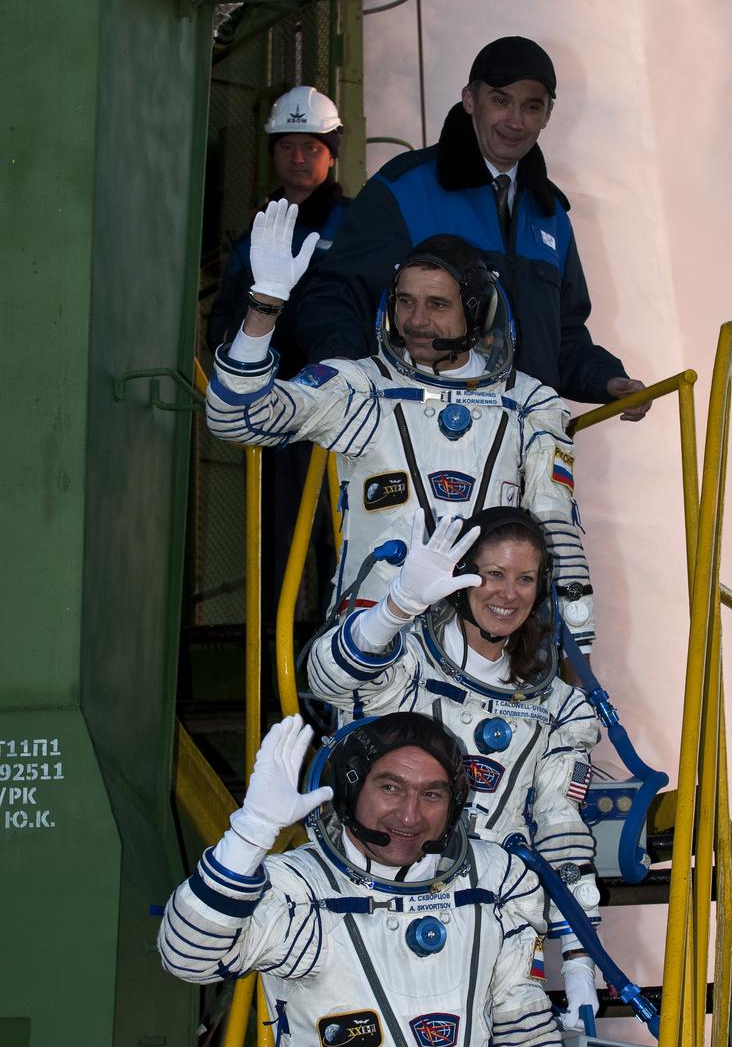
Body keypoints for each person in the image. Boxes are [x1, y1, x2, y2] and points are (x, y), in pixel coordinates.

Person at [159, 712, 588, 1047]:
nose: (409, 815)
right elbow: (186, 957)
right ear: (350, 790)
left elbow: (524, 1030)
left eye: (432, 794)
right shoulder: (304, 889)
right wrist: (250, 833)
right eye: (390, 788)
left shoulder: (495, 882)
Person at [207, 209, 597, 643]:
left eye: (437, 305)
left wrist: (577, 634)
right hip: (375, 636)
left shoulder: (527, 403)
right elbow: (237, 419)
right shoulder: (361, 389)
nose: (415, 321)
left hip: (490, 644)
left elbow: (553, 524)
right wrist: (265, 306)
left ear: (478, 313)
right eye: (405, 302)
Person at [308, 506, 603, 1032]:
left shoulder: (561, 706)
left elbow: (561, 828)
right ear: (463, 576)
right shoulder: (406, 662)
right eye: (492, 574)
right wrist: (394, 609)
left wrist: (580, 961)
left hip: (490, 909)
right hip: (372, 893)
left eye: (524, 579)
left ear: (542, 591)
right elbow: (329, 678)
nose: (507, 594)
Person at [290, 35, 651, 413]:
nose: (515, 120)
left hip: (522, 446)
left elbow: (563, 339)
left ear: (547, 117)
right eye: (500, 100)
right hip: (417, 440)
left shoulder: (552, 217)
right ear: (469, 99)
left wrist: (607, 380)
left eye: (532, 106)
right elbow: (335, 298)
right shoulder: (403, 190)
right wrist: (349, 381)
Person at [207, 85, 350, 380]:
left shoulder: (355, 223)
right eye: (287, 147)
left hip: (325, 387)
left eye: (311, 148)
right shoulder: (257, 229)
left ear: (332, 156)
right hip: (254, 382)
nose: (298, 158)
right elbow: (225, 309)